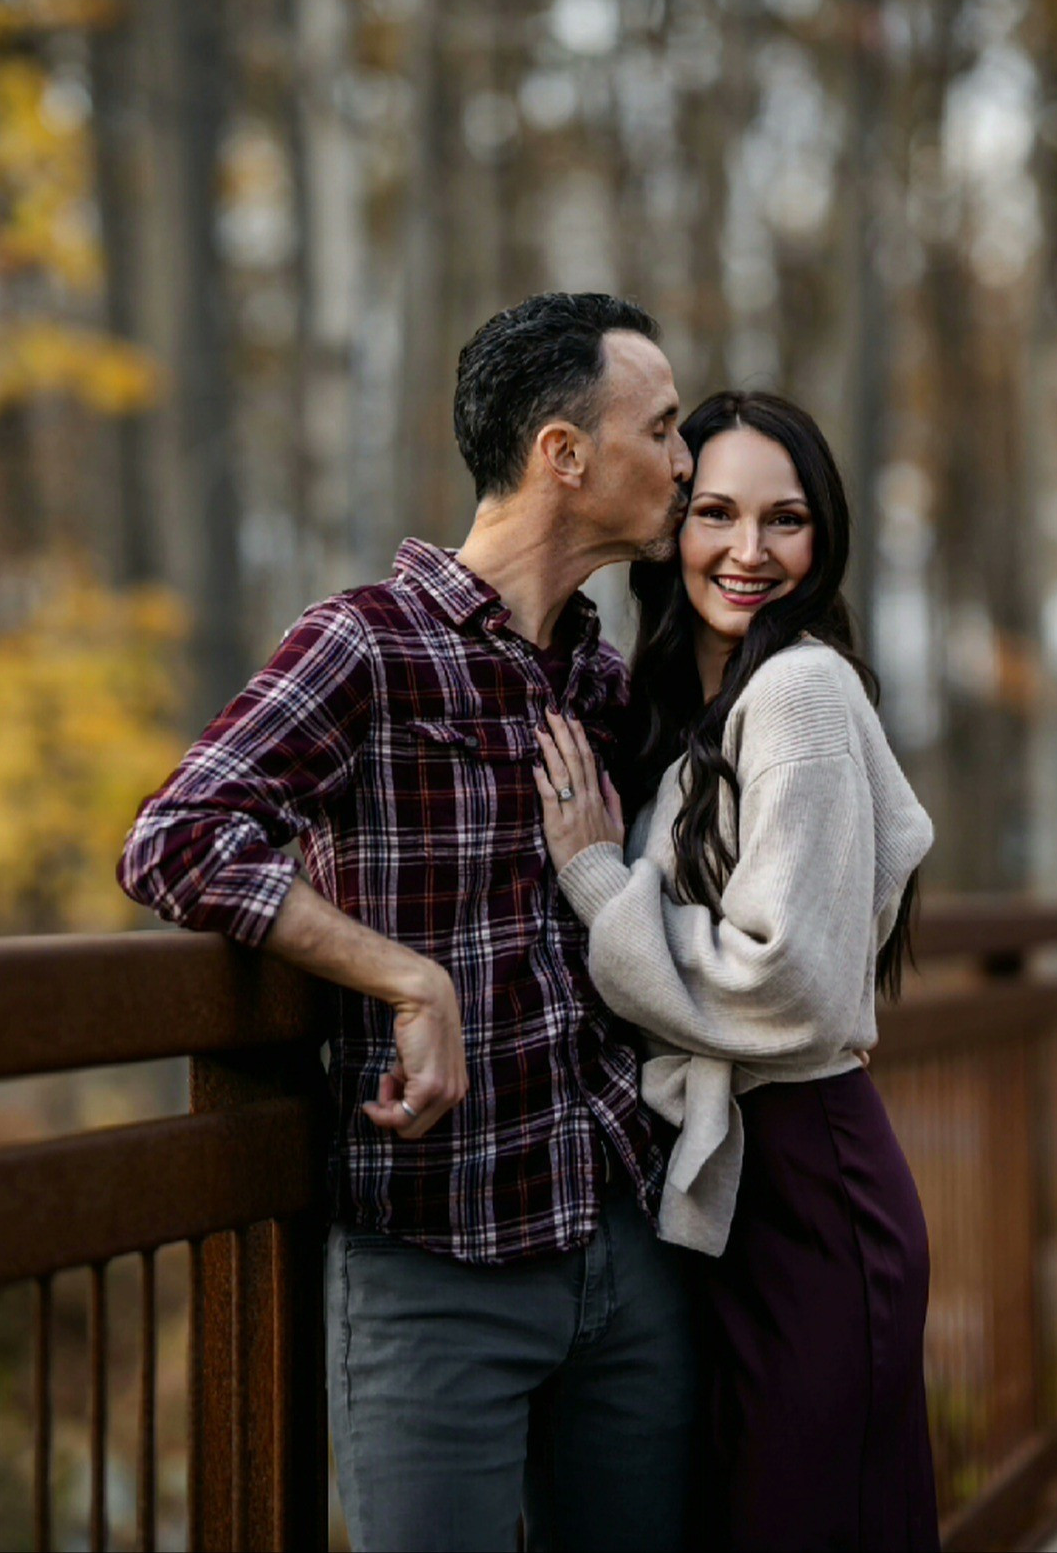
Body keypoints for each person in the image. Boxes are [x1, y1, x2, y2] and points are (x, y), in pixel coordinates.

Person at [118, 292, 701, 1553]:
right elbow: (173, 837)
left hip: (620, 1245)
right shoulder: (367, 646)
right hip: (433, 1267)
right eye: (659, 429)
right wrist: (404, 978)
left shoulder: (598, 680)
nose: (682, 459)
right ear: (563, 454)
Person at [534, 389, 940, 1552]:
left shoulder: (799, 691)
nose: (748, 551)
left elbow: (789, 982)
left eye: (785, 519)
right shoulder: (693, 710)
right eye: (713, 511)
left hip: (811, 1190)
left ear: (826, 540)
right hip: (738, 1201)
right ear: (670, 524)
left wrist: (598, 883)